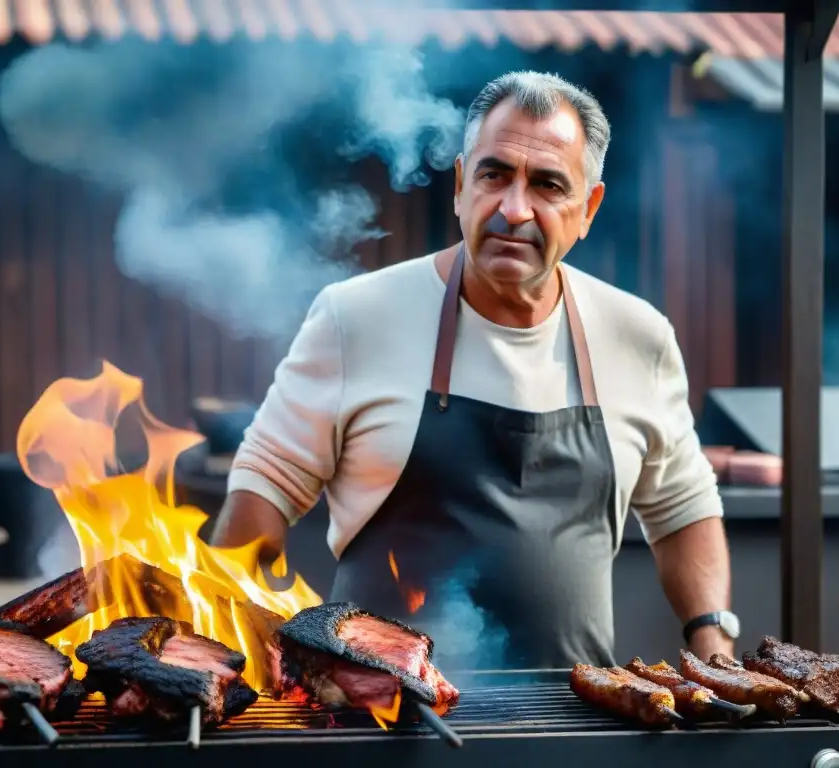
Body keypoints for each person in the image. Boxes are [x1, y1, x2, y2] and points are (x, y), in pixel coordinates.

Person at [211, 71, 735, 669]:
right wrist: (227, 655)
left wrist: (712, 637)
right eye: (494, 175)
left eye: (547, 185)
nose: (514, 209)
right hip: (379, 727)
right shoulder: (356, 317)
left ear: (588, 208)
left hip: (571, 728)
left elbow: (683, 508)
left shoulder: (637, 336)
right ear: (461, 185)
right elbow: (264, 489)